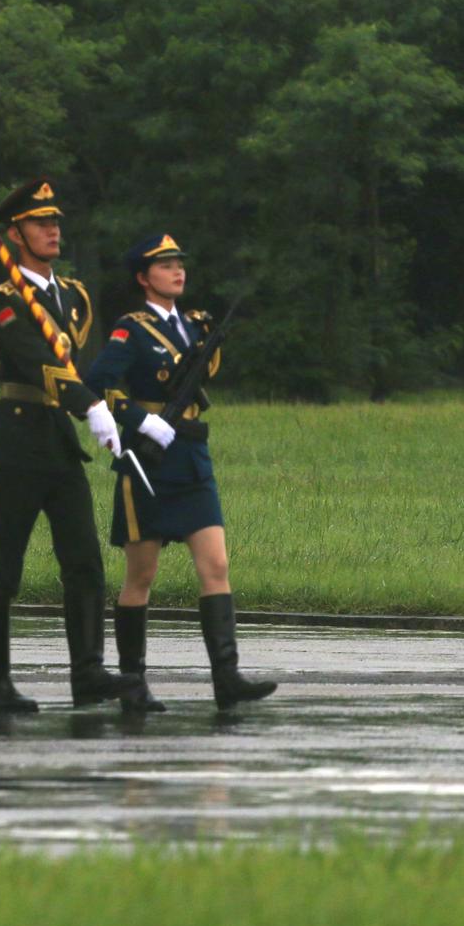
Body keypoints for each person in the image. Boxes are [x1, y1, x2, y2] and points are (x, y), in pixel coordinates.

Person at [85, 233, 276, 712]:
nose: (177, 271)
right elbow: (97, 383)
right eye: (165, 265)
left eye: (179, 263)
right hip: (149, 459)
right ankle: (133, 682)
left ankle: (227, 677)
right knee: (141, 575)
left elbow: (200, 376)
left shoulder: (194, 326)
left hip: (190, 456)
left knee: (216, 566)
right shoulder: (132, 328)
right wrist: (137, 419)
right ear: (143, 277)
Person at [0, 178, 139, 712]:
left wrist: (103, 404)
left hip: (60, 443)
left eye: (56, 222)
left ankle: (88, 671)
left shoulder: (74, 296)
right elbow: (33, 361)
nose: (52, 230)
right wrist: (87, 405)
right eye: (41, 223)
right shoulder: (3, 299)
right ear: (15, 233)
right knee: (3, 567)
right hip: (17, 438)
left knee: (84, 561)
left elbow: (77, 362)